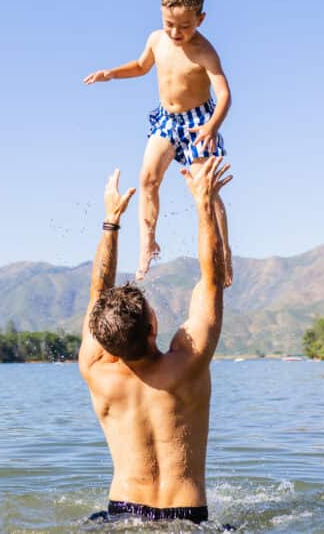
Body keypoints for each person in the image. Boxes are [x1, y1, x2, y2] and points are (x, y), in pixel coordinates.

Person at [79, 158, 232, 525]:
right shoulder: (188, 364)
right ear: (153, 327)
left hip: (122, 515)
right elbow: (211, 279)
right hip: (188, 516)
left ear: (104, 338)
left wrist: (111, 221)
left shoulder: (95, 370)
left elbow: (98, 291)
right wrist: (203, 202)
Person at [83, 0, 233, 284]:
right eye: (170, 24)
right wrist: (111, 73)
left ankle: (224, 253)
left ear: (201, 19)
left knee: (207, 189)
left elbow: (225, 94)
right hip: (167, 119)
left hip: (198, 123)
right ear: (161, 14)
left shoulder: (205, 51)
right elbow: (140, 66)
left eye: (185, 26)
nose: (176, 32)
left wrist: (212, 126)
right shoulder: (156, 39)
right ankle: (148, 244)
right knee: (148, 177)